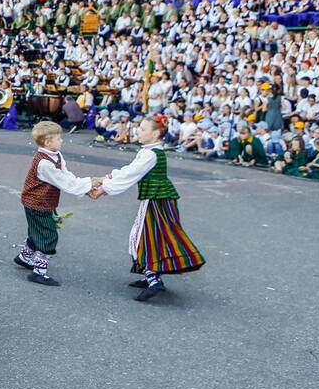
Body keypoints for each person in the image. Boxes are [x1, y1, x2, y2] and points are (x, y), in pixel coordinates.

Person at [94, 116, 205, 301]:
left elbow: (130, 174)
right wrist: (105, 178)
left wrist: (104, 188)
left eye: (143, 129)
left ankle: (153, 280)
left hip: (156, 199)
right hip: (158, 199)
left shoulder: (150, 154)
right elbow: (129, 170)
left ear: (155, 133)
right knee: (152, 237)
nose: (138, 131)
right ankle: (151, 276)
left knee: (143, 238)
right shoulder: (149, 151)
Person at [14, 121, 94, 286]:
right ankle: (39, 272)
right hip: (36, 203)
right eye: (58, 138)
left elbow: (66, 175)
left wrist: (85, 186)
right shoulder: (44, 163)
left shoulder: (55, 154)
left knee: (37, 231)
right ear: (47, 142)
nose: (61, 141)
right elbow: (63, 181)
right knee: (49, 235)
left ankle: (24, 257)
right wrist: (89, 185)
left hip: (42, 202)